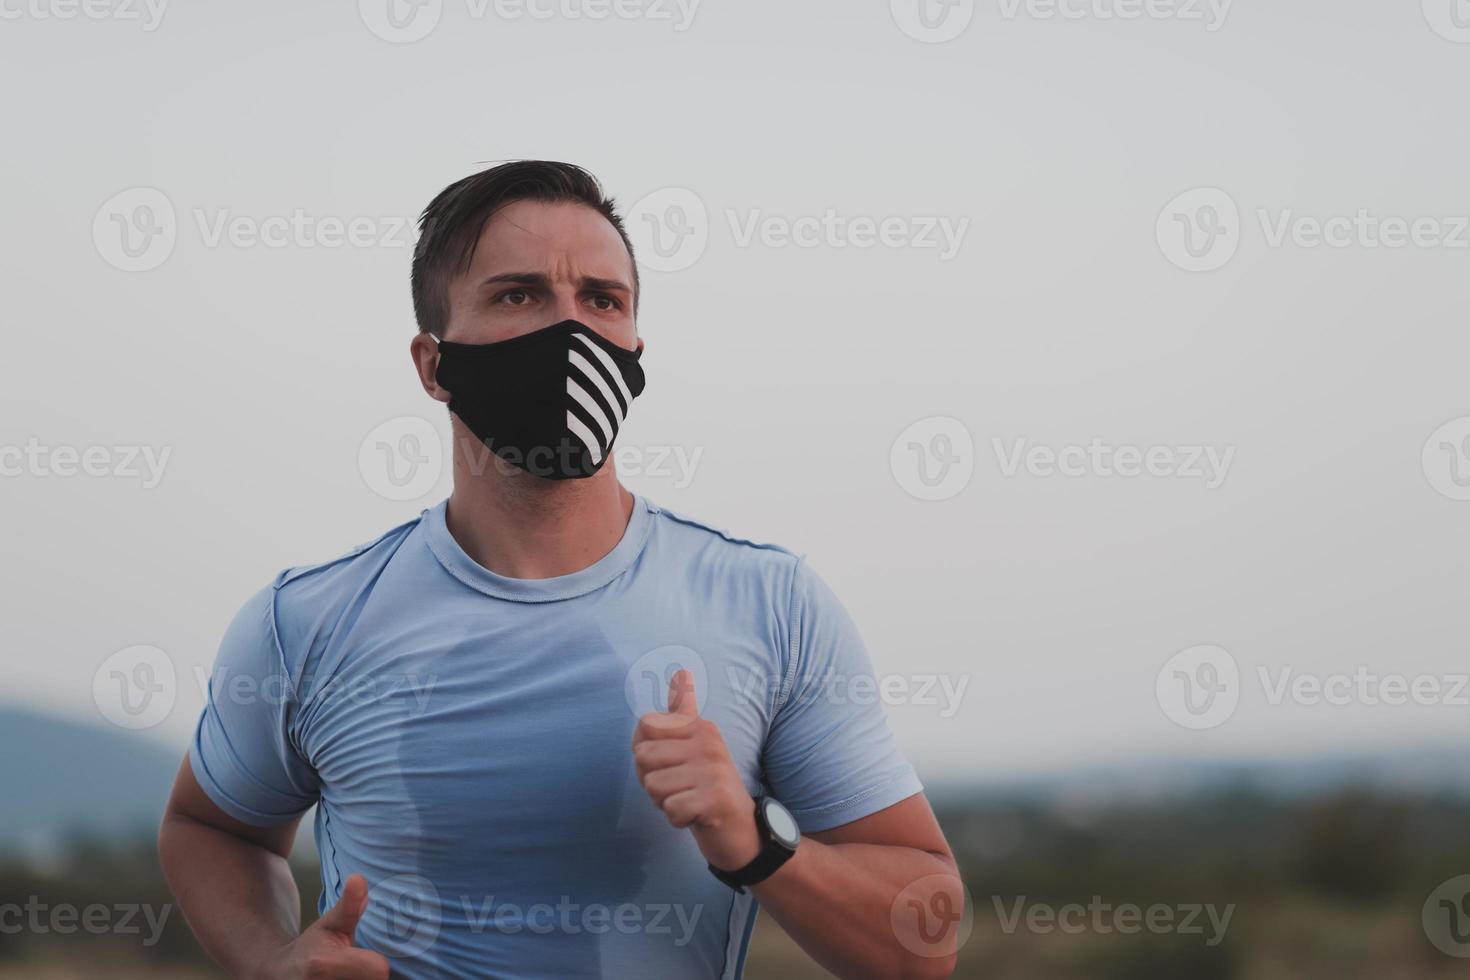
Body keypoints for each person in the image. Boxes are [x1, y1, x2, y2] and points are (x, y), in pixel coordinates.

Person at [157, 160, 962, 979]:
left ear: (636, 351)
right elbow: (211, 828)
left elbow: (923, 940)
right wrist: (268, 961)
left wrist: (755, 840)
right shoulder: (306, 623)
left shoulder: (770, 604)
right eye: (519, 294)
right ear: (432, 365)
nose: (570, 329)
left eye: (602, 300)